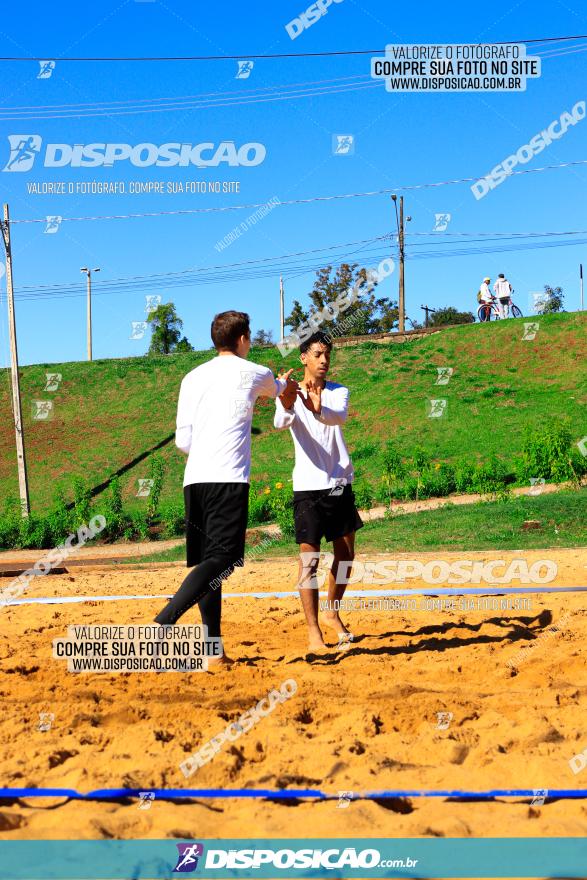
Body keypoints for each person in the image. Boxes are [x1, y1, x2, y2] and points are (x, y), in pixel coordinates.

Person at [154, 310, 296, 665]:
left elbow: (183, 441)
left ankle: (213, 652)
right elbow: (280, 390)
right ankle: (167, 618)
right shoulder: (254, 372)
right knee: (224, 560)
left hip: (194, 479)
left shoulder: (191, 377)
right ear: (244, 338)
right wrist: (285, 386)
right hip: (228, 478)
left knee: (209, 565)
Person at [274, 331, 363, 652]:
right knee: (309, 560)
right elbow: (280, 422)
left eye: (327, 354)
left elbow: (337, 416)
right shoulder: (289, 392)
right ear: (303, 358)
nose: (323, 360)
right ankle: (314, 630)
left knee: (345, 555)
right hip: (308, 488)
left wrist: (316, 407)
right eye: (317, 354)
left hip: (339, 483)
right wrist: (287, 401)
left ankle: (331, 612)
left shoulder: (339, 392)